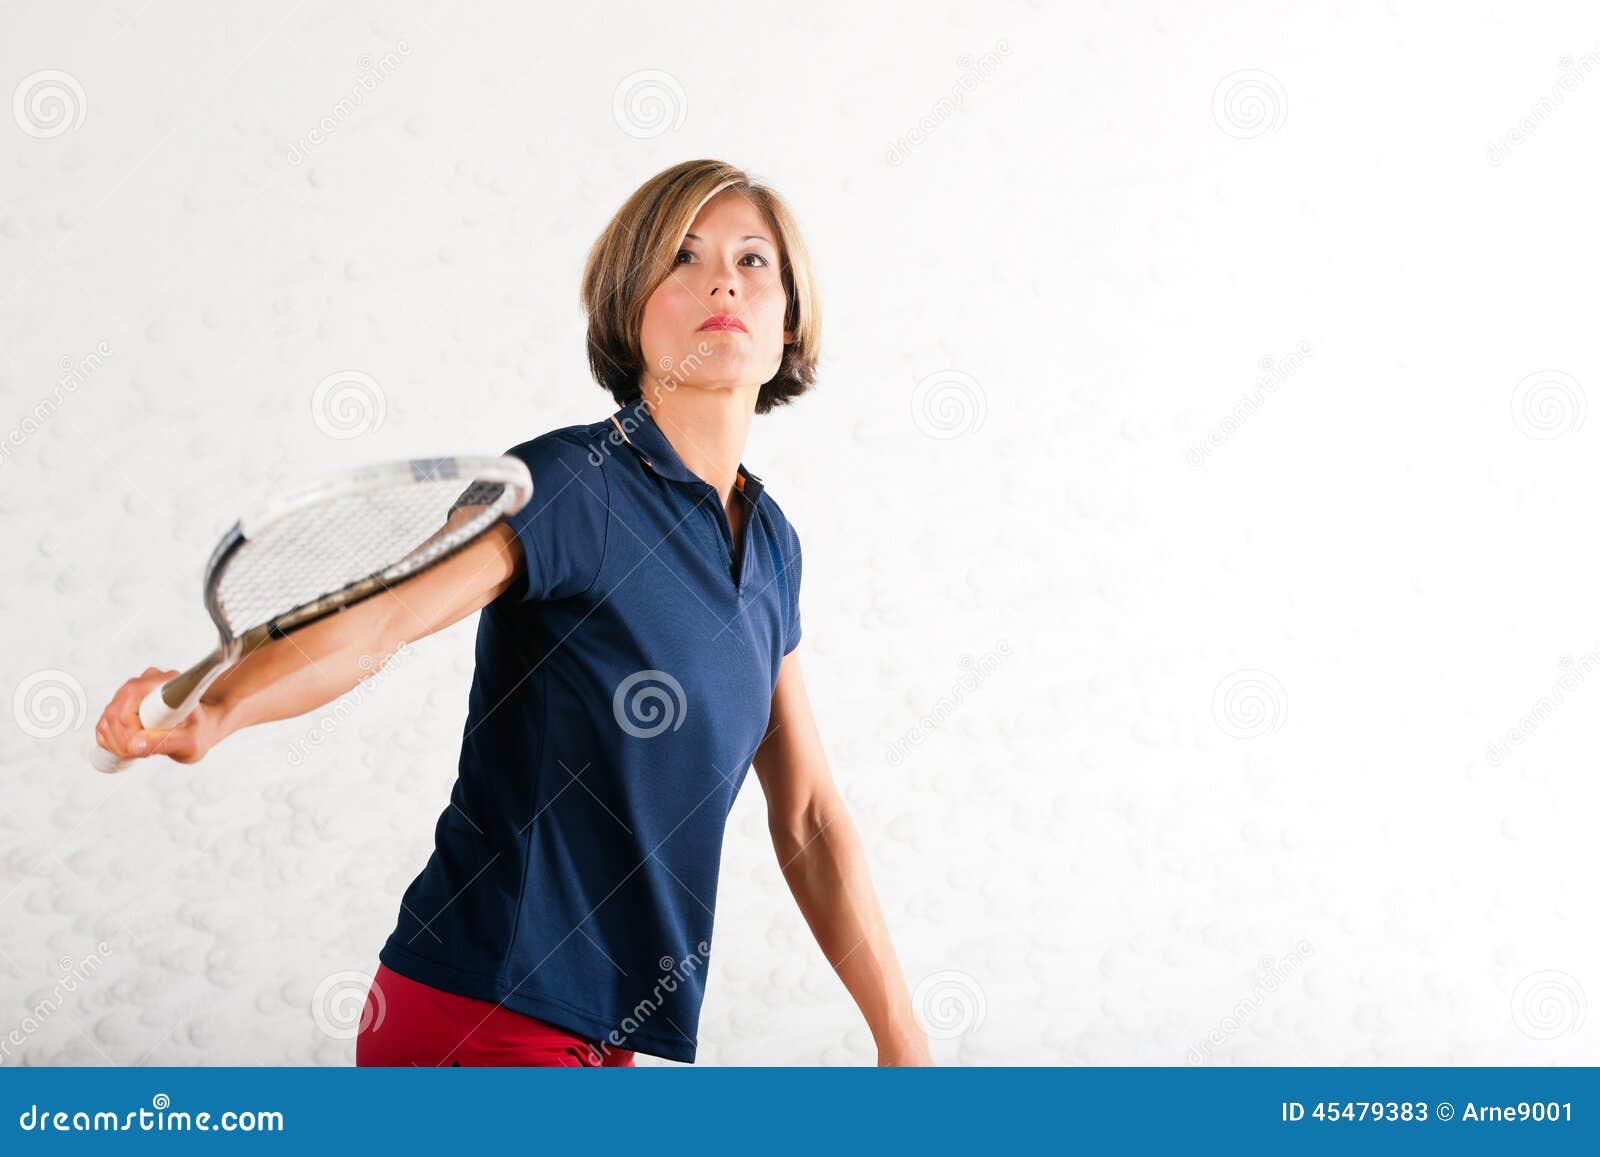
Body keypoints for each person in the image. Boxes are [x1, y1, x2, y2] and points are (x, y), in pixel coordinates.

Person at [90, 159, 932, 1068]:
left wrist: (902, 1039)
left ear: (789, 319)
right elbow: (383, 619)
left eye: (754, 260)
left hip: (600, 1038)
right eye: (682, 258)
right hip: (478, 1013)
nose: (723, 279)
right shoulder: (573, 485)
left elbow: (805, 812)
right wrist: (222, 705)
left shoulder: (770, 543)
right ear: (629, 309)